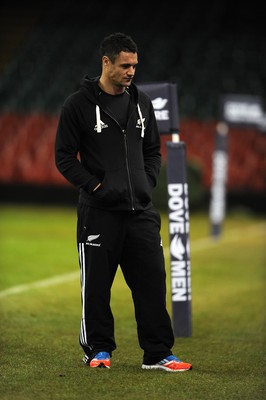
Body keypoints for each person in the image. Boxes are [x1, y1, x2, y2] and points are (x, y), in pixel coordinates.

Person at [55, 32, 192, 372]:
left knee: (151, 284)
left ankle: (158, 353)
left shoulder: (142, 103)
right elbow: (64, 158)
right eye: (124, 65)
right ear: (106, 62)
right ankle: (98, 350)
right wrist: (97, 187)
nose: (131, 71)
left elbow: (152, 152)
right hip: (99, 213)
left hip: (141, 213)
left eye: (134, 65)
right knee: (97, 289)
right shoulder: (78, 105)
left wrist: (147, 183)